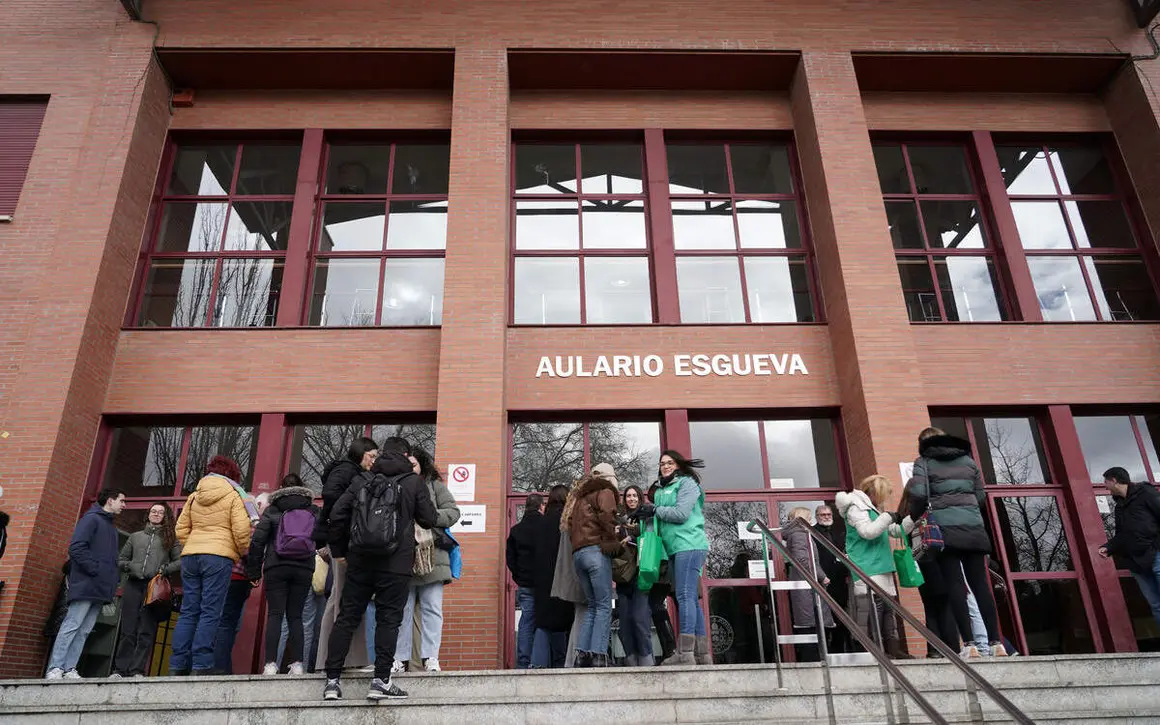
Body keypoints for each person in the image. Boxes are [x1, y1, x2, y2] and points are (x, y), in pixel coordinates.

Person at [322, 437, 437, 702]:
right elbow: (429, 519)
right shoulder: (412, 482)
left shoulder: (362, 479)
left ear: (383, 453)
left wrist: (340, 552)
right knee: (389, 620)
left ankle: (332, 682)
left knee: (347, 618)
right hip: (396, 564)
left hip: (360, 562)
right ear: (406, 456)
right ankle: (381, 681)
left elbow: (337, 514)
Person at [907, 427, 1008, 658]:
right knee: (980, 585)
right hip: (974, 529)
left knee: (955, 585)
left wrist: (916, 515)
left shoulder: (923, 462)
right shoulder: (969, 462)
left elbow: (919, 494)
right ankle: (996, 642)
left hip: (945, 531)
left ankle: (970, 644)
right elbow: (980, 496)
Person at [170, 456, 254, 676]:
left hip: (191, 557)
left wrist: (192, 545)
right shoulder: (234, 495)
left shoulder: (194, 496)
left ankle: (177, 664)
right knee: (210, 611)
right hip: (218, 557)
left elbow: (180, 529)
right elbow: (242, 532)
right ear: (232, 475)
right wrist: (238, 552)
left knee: (188, 611)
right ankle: (201, 664)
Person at [633, 450, 710, 666]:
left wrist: (654, 510)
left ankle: (685, 653)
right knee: (690, 599)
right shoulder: (660, 490)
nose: (665, 466)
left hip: (690, 544)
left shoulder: (687, 484)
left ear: (678, 465)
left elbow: (681, 514)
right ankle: (702, 654)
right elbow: (658, 518)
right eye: (662, 463)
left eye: (670, 463)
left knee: (684, 596)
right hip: (674, 548)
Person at [391, 448, 460, 674]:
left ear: (422, 465)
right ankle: (399, 659)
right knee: (402, 610)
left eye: (414, 464)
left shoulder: (435, 486)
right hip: (403, 555)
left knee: (432, 609)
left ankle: (431, 657)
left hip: (433, 556)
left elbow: (453, 512)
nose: (411, 468)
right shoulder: (394, 485)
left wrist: (429, 517)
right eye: (407, 464)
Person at [314, 437, 379, 671]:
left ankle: (327, 658)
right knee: (346, 598)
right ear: (360, 453)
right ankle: (346, 660)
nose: (374, 461)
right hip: (344, 542)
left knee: (337, 600)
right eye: (372, 456)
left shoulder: (346, 470)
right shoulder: (347, 470)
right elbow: (331, 494)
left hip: (340, 539)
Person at [45, 488, 125, 679]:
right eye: (121, 501)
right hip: (87, 584)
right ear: (110, 501)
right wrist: (95, 570)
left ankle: (69, 668)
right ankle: (55, 667)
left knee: (84, 630)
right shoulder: (91, 519)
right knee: (72, 625)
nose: (124, 505)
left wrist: (111, 578)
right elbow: (76, 548)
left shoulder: (111, 527)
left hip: (100, 587)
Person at [247, 473, 318, 675]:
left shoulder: (273, 509)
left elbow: (258, 541)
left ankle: (270, 664)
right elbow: (321, 536)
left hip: (276, 566)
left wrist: (253, 571)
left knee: (275, 615)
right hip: (303, 567)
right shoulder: (313, 510)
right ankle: (298, 664)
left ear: (281, 488)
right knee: (296, 616)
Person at [835, 474, 907, 658]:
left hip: (881, 564)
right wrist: (887, 517)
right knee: (875, 606)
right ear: (873, 492)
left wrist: (909, 519)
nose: (883, 500)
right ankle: (877, 649)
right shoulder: (855, 507)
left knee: (889, 608)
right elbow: (867, 532)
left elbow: (894, 531)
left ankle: (892, 647)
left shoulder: (871, 508)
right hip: (867, 565)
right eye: (883, 495)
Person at [112, 502, 181, 678]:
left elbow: (180, 561)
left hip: (154, 588)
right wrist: (130, 566)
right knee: (128, 630)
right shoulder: (135, 537)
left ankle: (137, 670)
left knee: (146, 630)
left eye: (160, 512)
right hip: (133, 585)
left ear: (165, 517)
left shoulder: (170, 538)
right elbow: (121, 559)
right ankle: (119, 670)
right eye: (153, 511)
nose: (156, 514)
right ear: (148, 514)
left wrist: (164, 570)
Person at [564, 465, 621, 668]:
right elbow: (607, 516)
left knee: (592, 606)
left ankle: (582, 655)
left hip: (579, 555)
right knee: (604, 605)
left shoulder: (580, 498)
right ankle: (598, 655)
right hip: (596, 552)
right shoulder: (605, 491)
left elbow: (570, 524)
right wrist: (613, 538)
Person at [1100, 466, 1160, 628]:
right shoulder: (1119, 507)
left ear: (1114, 480)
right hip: (1136, 562)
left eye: (1106, 482)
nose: (1105, 486)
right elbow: (1122, 534)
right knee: (1156, 604)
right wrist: (1108, 547)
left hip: (1156, 554)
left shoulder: (1146, 493)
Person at [213, 488, 262, 674]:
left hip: (218, 576)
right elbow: (249, 551)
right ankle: (220, 669)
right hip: (238, 577)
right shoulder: (250, 525)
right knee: (227, 624)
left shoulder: (224, 522)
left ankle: (217, 666)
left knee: (218, 621)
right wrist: (255, 570)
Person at [783, 507, 833, 662]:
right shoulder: (799, 534)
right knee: (811, 627)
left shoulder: (799, 534)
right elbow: (803, 560)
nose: (811, 520)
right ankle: (814, 663)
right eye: (809, 517)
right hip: (807, 585)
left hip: (807, 585)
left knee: (812, 625)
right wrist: (822, 576)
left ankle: (816, 660)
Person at [532, 485, 574, 668]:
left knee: (543, 623)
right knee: (566, 622)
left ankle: (538, 664)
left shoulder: (541, 522)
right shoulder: (567, 522)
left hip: (542, 578)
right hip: (563, 576)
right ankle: (564, 663)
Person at [615, 485, 654, 666]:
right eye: (628, 496)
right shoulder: (620, 519)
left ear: (639, 497)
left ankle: (646, 658)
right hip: (623, 575)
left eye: (634, 495)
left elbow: (650, 535)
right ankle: (630, 658)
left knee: (639, 618)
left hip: (641, 573)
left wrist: (631, 537)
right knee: (624, 622)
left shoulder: (647, 516)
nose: (631, 499)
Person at [506, 492, 544, 669]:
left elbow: (510, 559)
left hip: (525, 583)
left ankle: (523, 661)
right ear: (541, 506)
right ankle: (541, 660)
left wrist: (518, 576)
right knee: (544, 621)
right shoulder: (546, 526)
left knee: (527, 620)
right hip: (544, 582)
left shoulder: (516, 530)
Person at [814, 504, 850, 654]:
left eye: (829, 514)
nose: (827, 517)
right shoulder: (812, 533)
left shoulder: (837, 533)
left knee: (840, 613)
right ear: (817, 517)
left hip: (839, 580)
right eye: (823, 515)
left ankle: (839, 649)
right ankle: (825, 650)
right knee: (824, 614)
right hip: (822, 580)